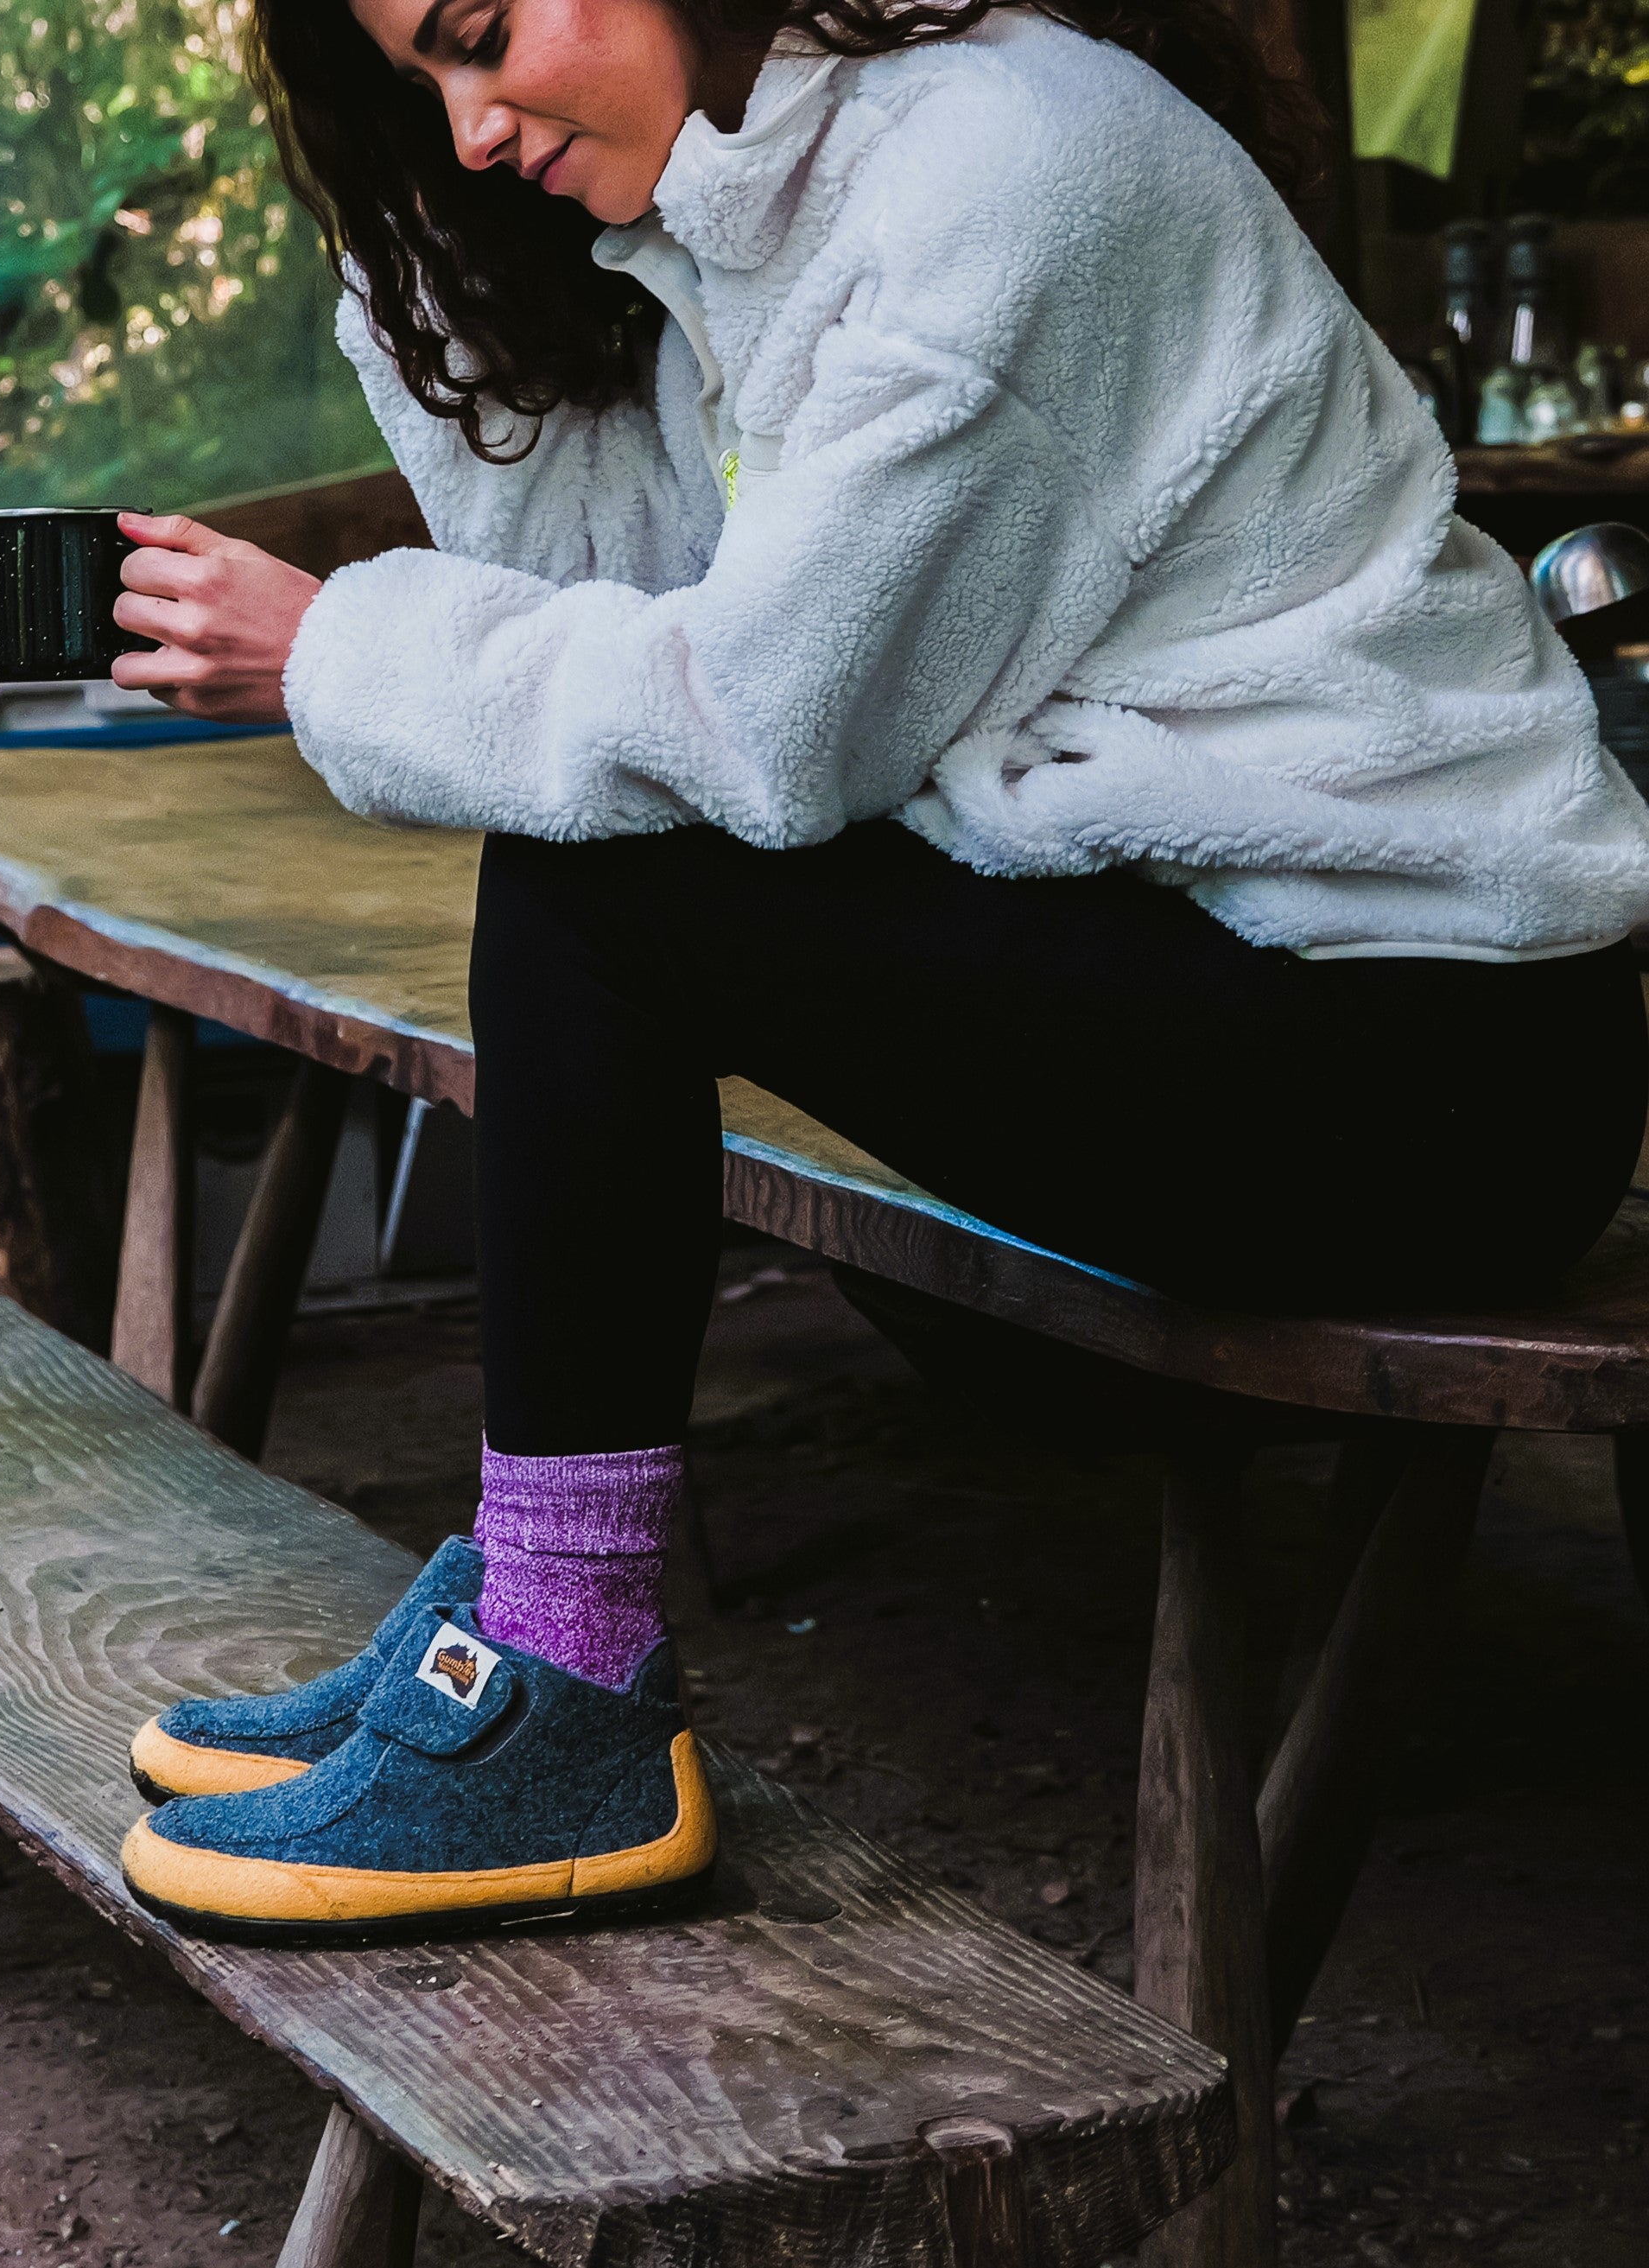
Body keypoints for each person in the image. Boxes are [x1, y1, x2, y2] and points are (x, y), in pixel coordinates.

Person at [111, 0, 1649, 1941]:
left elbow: (761, 726)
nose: (470, 122)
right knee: (599, 852)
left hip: (1433, 1067)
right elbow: (627, 606)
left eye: (478, 38)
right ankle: (527, 1614)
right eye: (420, 86)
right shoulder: (760, 198)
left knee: (602, 886)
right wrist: (428, 264)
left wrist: (334, 647)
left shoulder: (1004, 170)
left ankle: (561, 1670)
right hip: (1234, 981)